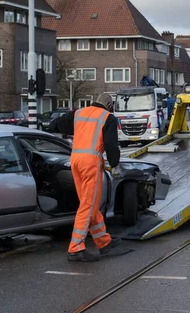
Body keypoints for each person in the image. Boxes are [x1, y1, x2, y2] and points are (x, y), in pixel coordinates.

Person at [49, 93, 122, 262]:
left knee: (89, 203)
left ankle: (103, 242)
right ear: (110, 105)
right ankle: (75, 248)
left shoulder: (78, 113)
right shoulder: (107, 118)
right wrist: (115, 163)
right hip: (91, 163)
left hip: (75, 161)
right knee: (88, 205)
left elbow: (54, 125)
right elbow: (111, 145)